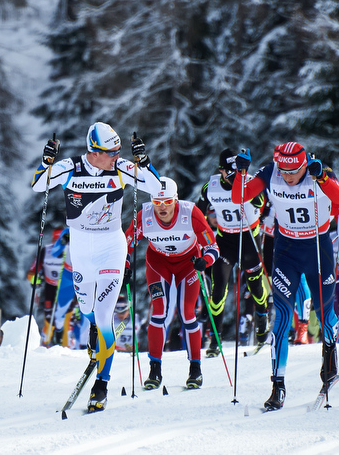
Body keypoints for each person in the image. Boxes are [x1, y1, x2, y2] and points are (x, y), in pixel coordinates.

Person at [30, 122, 162, 412]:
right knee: (87, 309)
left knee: (104, 316)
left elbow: (156, 188)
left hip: (111, 247)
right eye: (111, 152)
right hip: (81, 249)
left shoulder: (121, 167)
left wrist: (143, 161)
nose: (117, 155)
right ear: (94, 151)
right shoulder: (69, 167)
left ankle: (101, 384)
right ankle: (92, 327)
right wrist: (46, 162)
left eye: (119, 150)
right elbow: (38, 184)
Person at [230, 142, 339, 409]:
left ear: (305, 164)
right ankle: (277, 386)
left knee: (326, 312)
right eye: (284, 170)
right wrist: (241, 173)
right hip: (287, 249)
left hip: (318, 248)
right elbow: (239, 197)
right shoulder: (271, 171)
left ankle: (329, 363)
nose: (289, 176)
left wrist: (323, 178)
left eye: (294, 170)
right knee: (281, 315)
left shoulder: (319, 170)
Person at [126, 177, 219, 390]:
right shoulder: (144, 216)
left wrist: (205, 261)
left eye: (167, 202)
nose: (162, 207)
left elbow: (212, 246)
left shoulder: (190, 212)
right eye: (157, 202)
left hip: (188, 263)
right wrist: (124, 263)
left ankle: (195, 368)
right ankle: (155, 369)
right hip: (159, 264)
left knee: (187, 313)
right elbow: (126, 243)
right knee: (159, 311)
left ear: (175, 200)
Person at [194, 148, 268, 357]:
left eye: (237, 171)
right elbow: (197, 215)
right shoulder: (211, 186)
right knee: (218, 291)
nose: (234, 175)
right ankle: (215, 339)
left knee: (255, 287)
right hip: (225, 241)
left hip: (249, 239)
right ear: (221, 171)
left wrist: (243, 182)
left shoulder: (250, 181)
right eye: (230, 172)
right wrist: (200, 243)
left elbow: (260, 202)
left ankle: (262, 319)